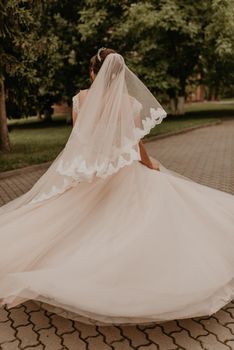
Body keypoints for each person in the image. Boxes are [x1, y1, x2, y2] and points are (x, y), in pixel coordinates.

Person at [0, 48, 233, 326]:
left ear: (93, 73)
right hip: (124, 170)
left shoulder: (80, 99)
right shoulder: (131, 103)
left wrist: (77, 173)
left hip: (92, 172)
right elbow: (134, 143)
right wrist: (149, 163)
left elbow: (79, 142)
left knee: (76, 221)